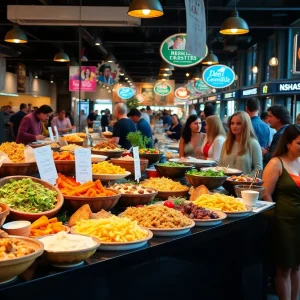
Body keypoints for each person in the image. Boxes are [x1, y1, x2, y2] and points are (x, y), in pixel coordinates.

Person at [262, 124, 300, 300]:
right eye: (299, 143)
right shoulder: (276, 163)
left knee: (297, 267)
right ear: (288, 144)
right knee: (284, 268)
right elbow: (266, 194)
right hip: (283, 222)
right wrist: (275, 221)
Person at [219, 111, 262, 177]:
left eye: (238, 123)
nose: (234, 126)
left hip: (244, 185)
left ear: (245, 125)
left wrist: (245, 179)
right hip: (225, 184)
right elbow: (220, 166)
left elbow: (258, 169)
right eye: (232, 123)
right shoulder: (226, 143)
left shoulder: (253, 143)